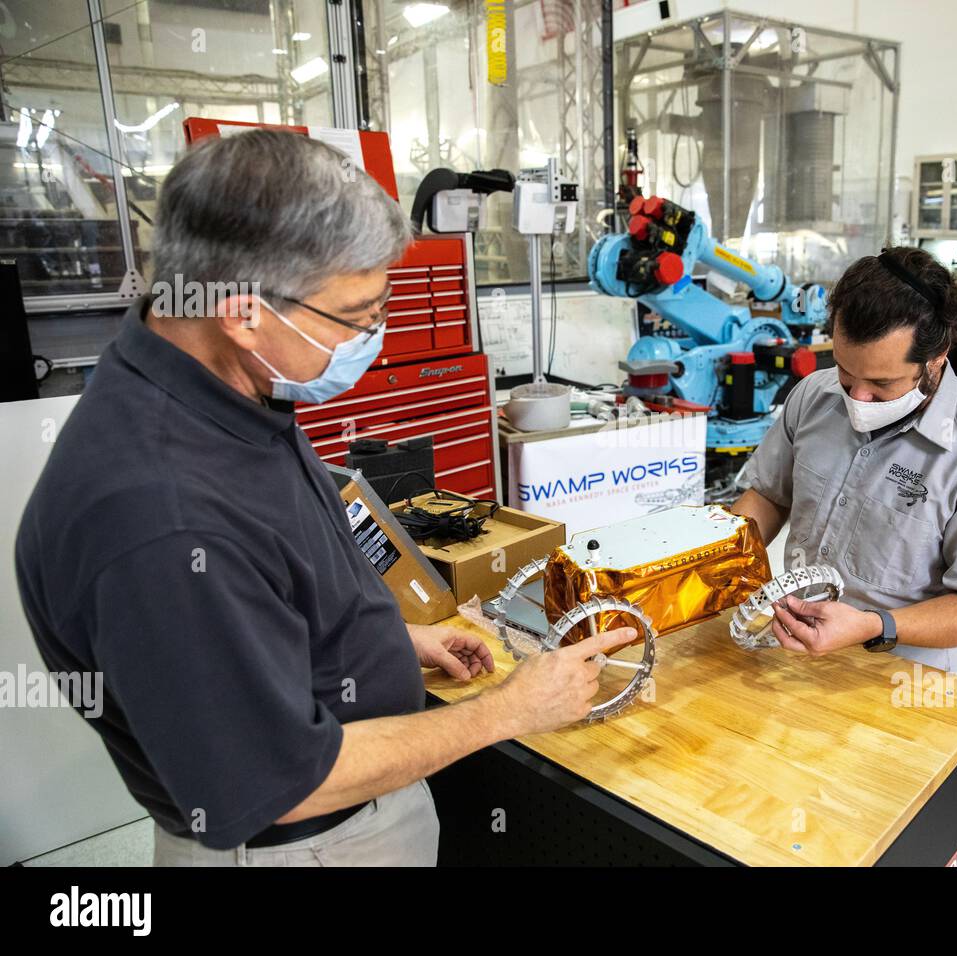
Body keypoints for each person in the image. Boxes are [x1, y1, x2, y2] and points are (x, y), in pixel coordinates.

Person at [15, 129, 627, 866]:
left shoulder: (219, 387)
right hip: (302, 844)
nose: (374, 335)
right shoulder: (162, 520)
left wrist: (380, 644)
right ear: (246, 314)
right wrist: (511, 710)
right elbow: (281, 785)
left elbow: (262, 592)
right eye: (359, 315)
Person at [731, 247, 957, 672]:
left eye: (881, 383)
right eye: (845, 373)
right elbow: (769, 495)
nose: (857, 398)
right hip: (795, 650)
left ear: (937, 356)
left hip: (902, 674)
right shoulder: (814, 396)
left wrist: (873, 625)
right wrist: (722, 566)